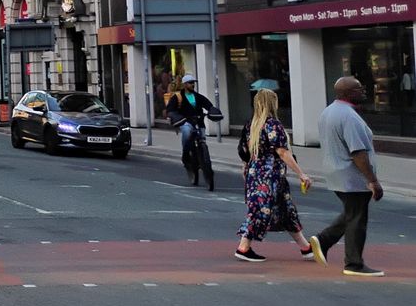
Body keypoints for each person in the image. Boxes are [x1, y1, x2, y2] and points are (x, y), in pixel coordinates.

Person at [308, 76, 387, 277]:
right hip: (352, 176)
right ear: (349, 93)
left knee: (353, 213)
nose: (364, 91)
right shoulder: (349, 117)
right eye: (360, 89)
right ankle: (353, 263)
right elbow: (358, 152)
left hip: (335, 173)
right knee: (357, 219)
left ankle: (324, 240)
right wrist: (373, 180)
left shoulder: (328, 112)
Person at [234, 89, 314, 262]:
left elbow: (245, 151)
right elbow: (283, 153)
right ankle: (243, 247)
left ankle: (305, 247)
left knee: (286, 211)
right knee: (259, 211)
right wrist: (302, 174)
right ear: (272, 103)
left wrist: (246, 168)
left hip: (256, 173)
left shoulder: (251, 125)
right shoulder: (273, 125)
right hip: (270, 176)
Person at [164, 74, 220, 186]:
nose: (192, 84)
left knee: (202, 141)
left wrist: (212, 111)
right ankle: (186, 155)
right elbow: (170, 109)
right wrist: (175, 117)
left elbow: (208, 105)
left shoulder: (198, 96)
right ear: (184, 85)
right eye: (190, 83)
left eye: (193, 82)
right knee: (187, 131)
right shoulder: (178, 97)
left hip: (199, 122)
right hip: (186, 122)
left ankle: (204, 161)